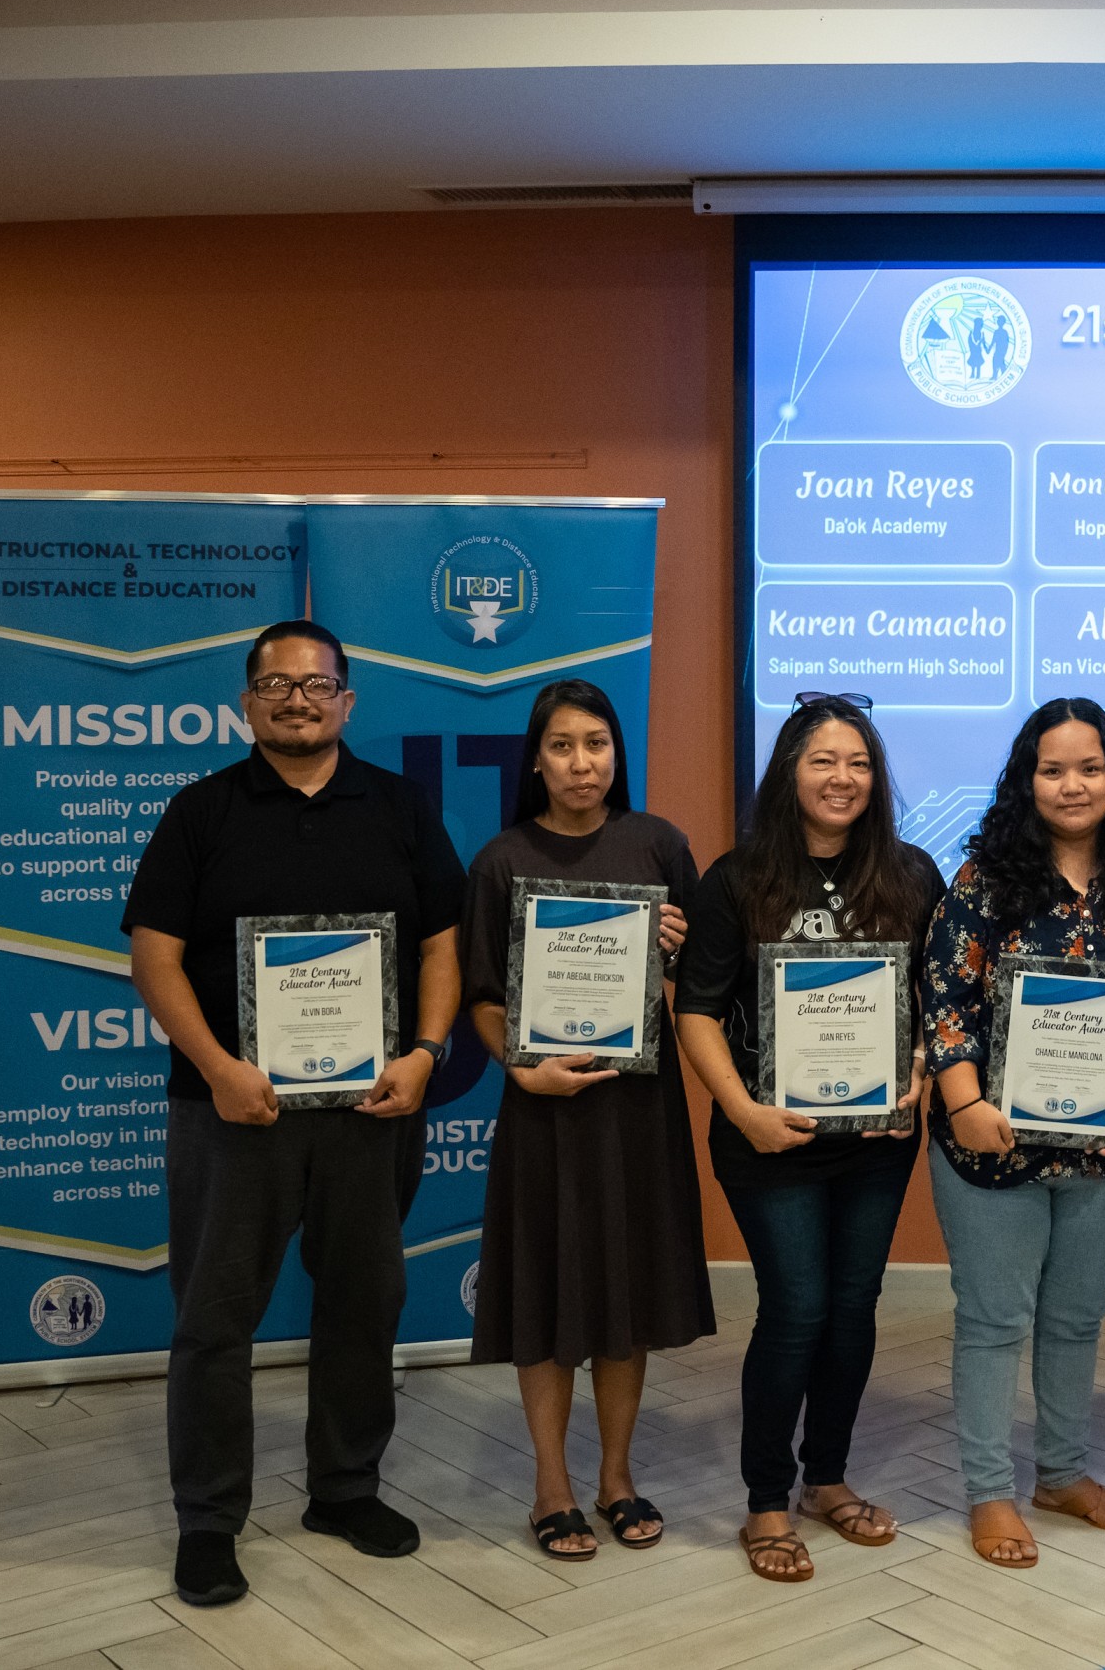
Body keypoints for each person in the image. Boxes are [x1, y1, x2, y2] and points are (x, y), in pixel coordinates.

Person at [123, 618, 465, 1609]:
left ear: (347, 701)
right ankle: (208, 1517)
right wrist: (220, 1065)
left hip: (370, 1107)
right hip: (232, 1111)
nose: (297, 698)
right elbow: (154, 956)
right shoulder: (200, 812)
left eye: (316, 685)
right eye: (275, 684)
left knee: (365, 1301)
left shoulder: (399, 806)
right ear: (247, 703)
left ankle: (344, 1487)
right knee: (213, 1316)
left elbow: (440, 944)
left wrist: (424, 1051)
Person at [673, 692, 941, 1583]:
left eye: (859, 763)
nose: (842, 778)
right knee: (796, 1308)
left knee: (854, 1305)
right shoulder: (737, 880)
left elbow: (936, 1009)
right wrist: (744, 1111)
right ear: (789, 770)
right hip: (767, 1138)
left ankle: (827, 1476)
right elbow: (697, 1011)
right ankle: (764, 1498)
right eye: (824, 760)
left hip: (875, 1139)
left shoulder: (912, 875)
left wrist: (916, 1073)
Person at [919, 699, 1105, 1569]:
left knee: (1075, 1320)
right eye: (1053, 769)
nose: (1073, 785)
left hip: (1104, 1152)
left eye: (1089, 767)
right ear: (1025, 780)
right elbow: (944, 1004)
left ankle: (1062, 1474)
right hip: (990, 1147)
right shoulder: (983, 881)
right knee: (995, 1321)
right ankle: (989, 1491)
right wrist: (964, 1106)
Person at [456, 678, 710, 1561]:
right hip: (545, 1113)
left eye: (596, 743)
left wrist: (678, 948)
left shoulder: (660, 845)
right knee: (546, 1287)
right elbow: (482, 997)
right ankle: (551, 1484)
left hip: (638, 1111)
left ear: (617, 753)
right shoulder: (500, 859)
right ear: (536, 758)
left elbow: (703, 988)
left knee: (626, 1291)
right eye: (562, 745)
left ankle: (616, 1476)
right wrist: (522, 1066)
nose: (581, 761)